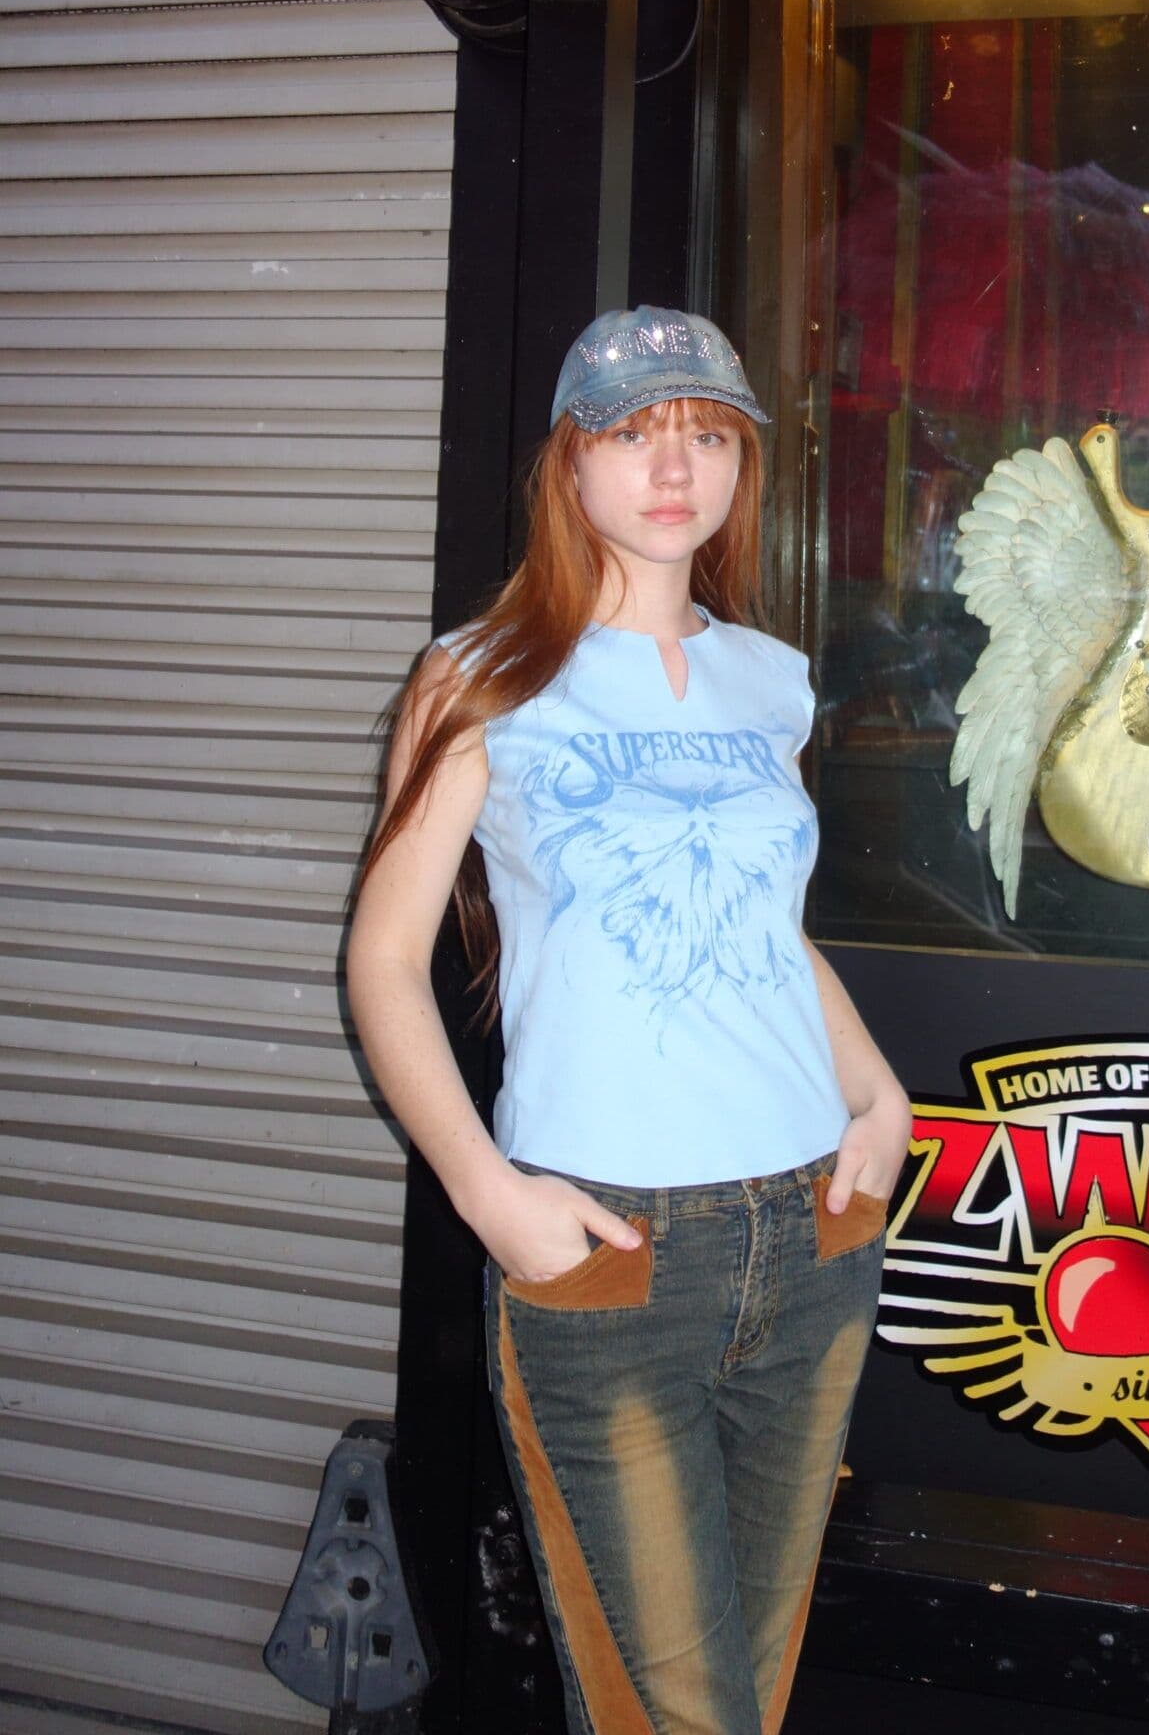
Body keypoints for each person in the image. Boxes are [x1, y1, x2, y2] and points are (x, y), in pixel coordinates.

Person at [348, 306, 912, 1735]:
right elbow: (383, 963)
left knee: (748, 1700)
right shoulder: (478, 676)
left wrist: (881, 1095)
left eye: (707, 434)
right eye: (634, 433)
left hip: (812, 1229)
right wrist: (490, 1195)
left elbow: (769, 930)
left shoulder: (769, 679)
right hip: (610, 1251)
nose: (675, 468)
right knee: (672, 1714)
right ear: (570, 462)